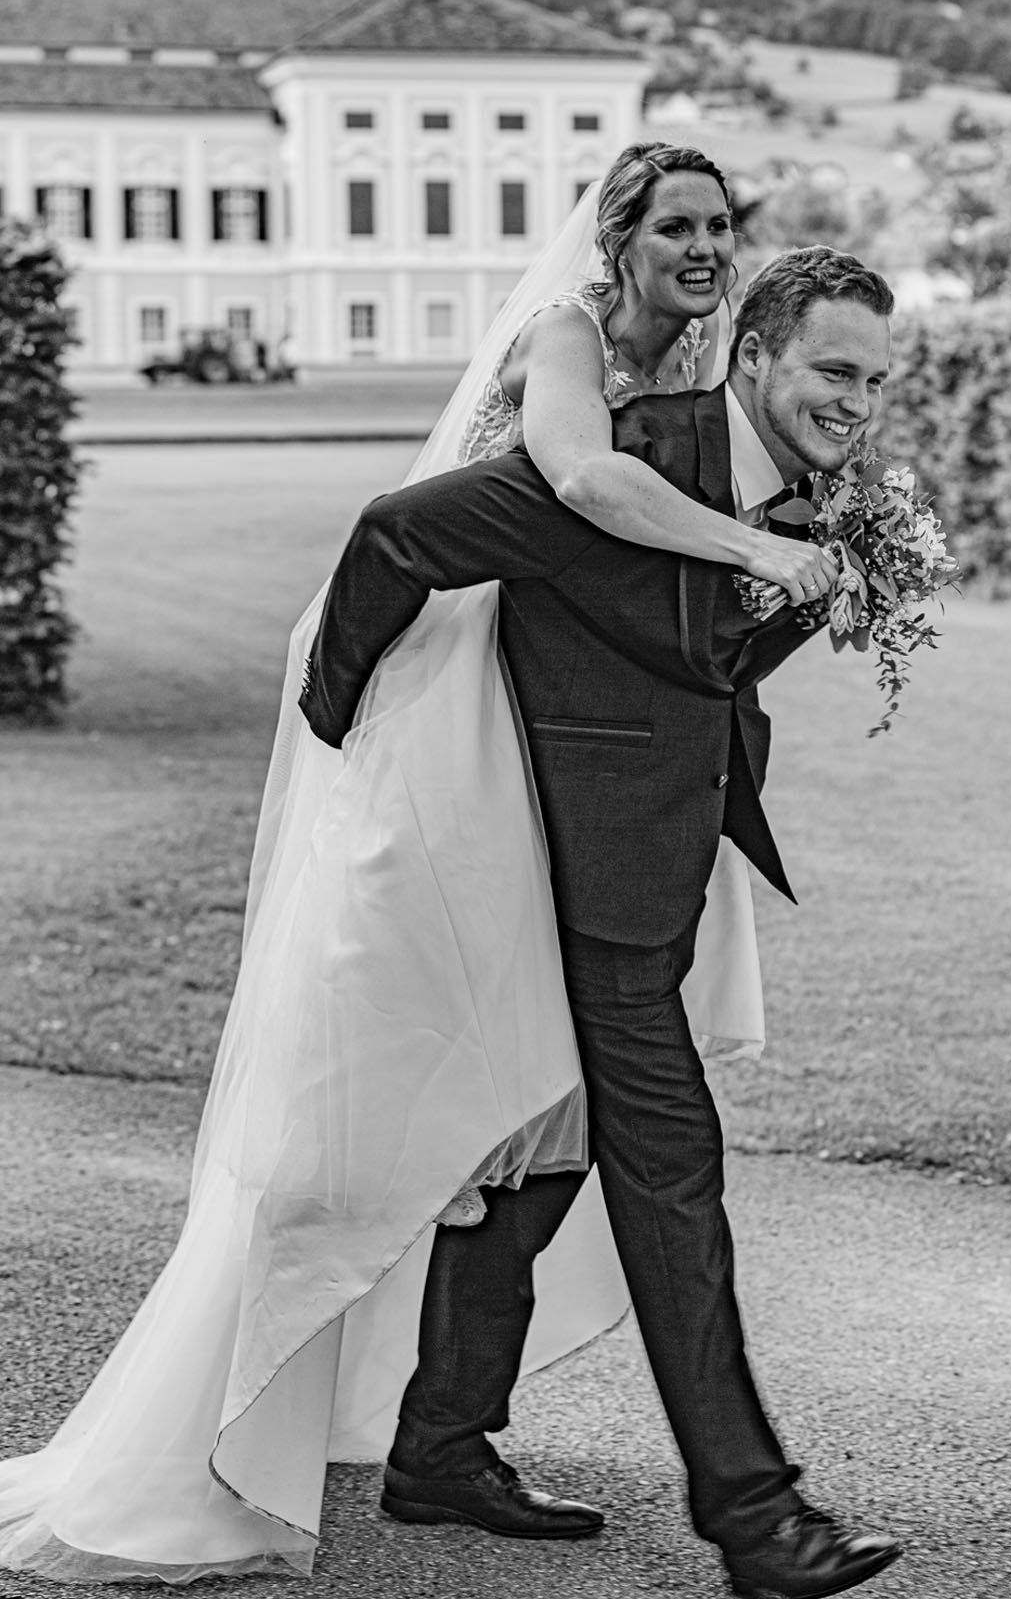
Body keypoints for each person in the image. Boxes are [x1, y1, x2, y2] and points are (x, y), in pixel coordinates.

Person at [0, 144, 833, 1585]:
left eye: (720, 225)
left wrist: (805, 576)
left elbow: (675, 610)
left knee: (553, 1094)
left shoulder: (711, 369)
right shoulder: (567, 338)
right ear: (619, 240)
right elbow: (574, 486)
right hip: (451, 711)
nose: (705, 246)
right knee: (374, 1105)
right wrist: (760, 553)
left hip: (568, 746)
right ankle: (213, 1426)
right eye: (676, 225)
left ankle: (445, 1435)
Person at [300, 245, 904, 1599]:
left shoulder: (812, 499)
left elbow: (709, 663)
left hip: (657, 866)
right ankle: (758, 1518)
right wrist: (336, 731)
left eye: (876, 380)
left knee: (549, 1151)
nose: (858, 402)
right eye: (835, 370)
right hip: (569, 878)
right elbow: (397, 535)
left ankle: (441, 1444)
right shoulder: (626, 463)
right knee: (671, 1167)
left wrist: (828, 592)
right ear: (756, 353)